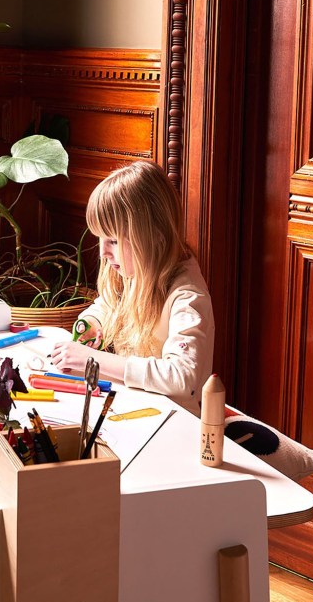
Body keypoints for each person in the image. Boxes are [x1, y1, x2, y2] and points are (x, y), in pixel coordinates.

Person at [49, 160, 216, 415]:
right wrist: (92, 324)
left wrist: (94, 360)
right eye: (100, 239)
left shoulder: (188, 298)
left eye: (113, 241)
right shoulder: (137, 271)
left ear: (154, 236)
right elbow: (106, 305)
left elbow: (182, 377)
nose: (103, 253)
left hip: (175, 424)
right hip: (136, 409)